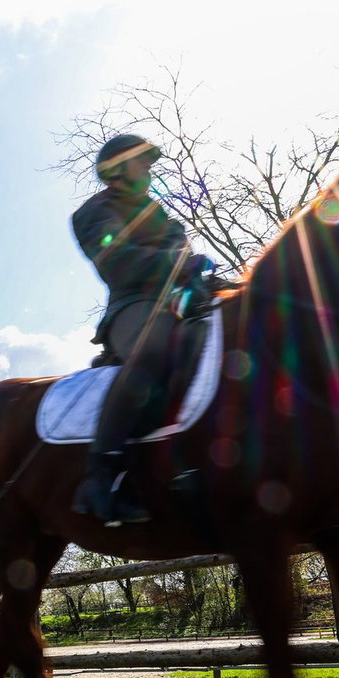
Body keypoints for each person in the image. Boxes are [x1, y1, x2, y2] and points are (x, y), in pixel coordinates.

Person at [70, 133, 225, 526]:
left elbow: (184, 259)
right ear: (117, 168)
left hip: (182, 304)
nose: (150, 169)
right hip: (132, 307)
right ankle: (101, 476)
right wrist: (176, 264)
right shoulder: (93, 212)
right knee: (156, 347)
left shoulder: (160, 213)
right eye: (143, 161)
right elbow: (116, 259)